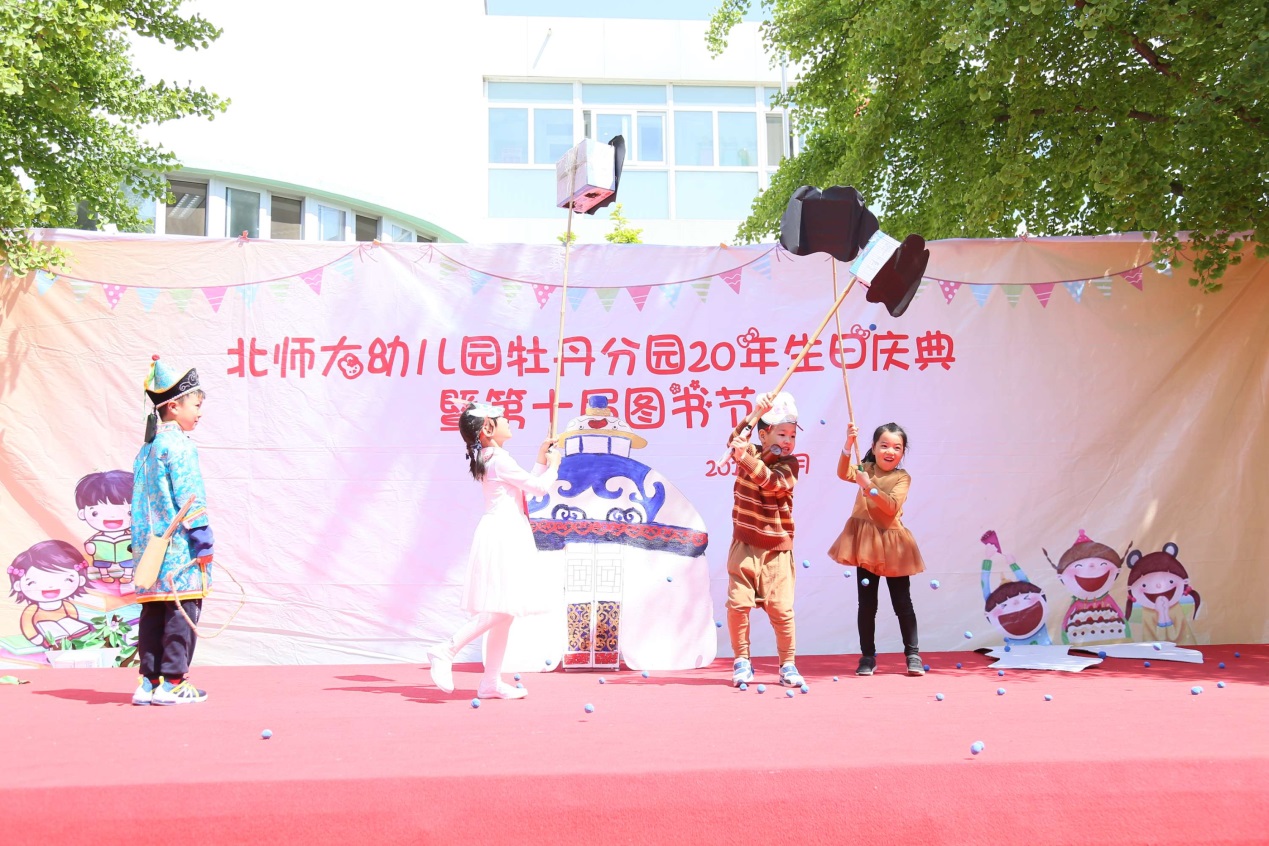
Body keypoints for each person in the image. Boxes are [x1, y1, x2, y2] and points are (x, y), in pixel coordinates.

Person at [427, 402, 561, 700]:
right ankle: (447, 649)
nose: (508, 420)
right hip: (505, 533)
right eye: (501, 418)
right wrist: (554, 465)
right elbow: (538, 489)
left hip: (505, 530)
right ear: (487, 429)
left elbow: (525, 486)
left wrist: (541, 459)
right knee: (503, 608)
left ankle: (490, 682)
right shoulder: (498, 459)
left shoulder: (492, 458)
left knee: (505, 610)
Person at [130, 356, 214, 705]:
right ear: (174, 406)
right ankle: (174, 683)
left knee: (153, 612)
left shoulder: (146, 449)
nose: (199, 412)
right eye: (196, 405)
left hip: (148, 549)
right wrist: (202, 537)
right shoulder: (179, 445)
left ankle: (148, 683)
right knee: (182, 610)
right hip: (178, 547)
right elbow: (190, 493)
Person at [828, 422, 926, 676]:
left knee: (902, 603)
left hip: (894, 547)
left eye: (897, 447)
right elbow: (842, 473)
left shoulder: (902, 477)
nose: (890, 451)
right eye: (884, 445)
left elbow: (891, 507)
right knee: (867, 605)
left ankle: (912, 654)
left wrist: (868, 486)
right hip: (866, 545)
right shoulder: (866, 468)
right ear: (873, 447)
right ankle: (868, 656)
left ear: (902, 452)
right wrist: (848, 444)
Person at [725, 391, 805, 688]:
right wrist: (754, 413)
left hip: (777, 550)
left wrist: (743, 457)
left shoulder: (790, 464)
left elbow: (771, 483)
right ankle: (742, 660)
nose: (788, 440)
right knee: (737, 604)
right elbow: (734, 440)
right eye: (781, 434)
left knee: (782, 610)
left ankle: (787, 664)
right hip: (744, 544)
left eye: (792, 435)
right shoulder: (749, 451)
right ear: (763, 434)